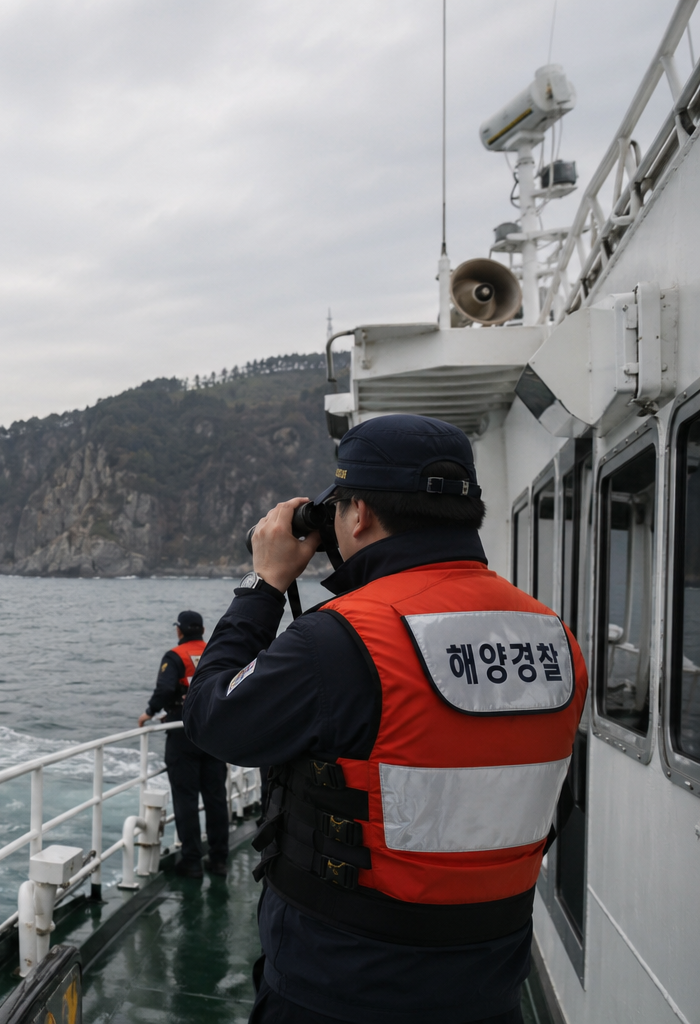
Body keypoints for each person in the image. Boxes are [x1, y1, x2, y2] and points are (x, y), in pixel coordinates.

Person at [182, 414, 586, 1024]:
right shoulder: (554, 637)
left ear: (360, 514)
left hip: (341, 986)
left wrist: (263, 584)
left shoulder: (339, 640)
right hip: (490, 981)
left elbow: (212, 718)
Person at [138, 610, 228, 878]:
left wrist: (150, 712)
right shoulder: (215, 652)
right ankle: (219, 858)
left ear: (180, 631)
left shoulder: (175, 656)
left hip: (183, 733)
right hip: (212, 733)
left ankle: (191, 861)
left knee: (186, 798)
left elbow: (166, 689)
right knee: (216, 798)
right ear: (202, 629)